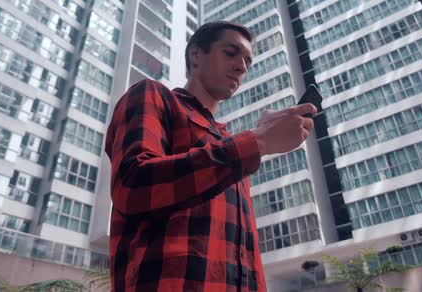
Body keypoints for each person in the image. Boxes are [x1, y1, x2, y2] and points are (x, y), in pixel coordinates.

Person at [105, 21, 317, 291]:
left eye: (248, 62)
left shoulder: (233, 148)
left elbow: (245, 254)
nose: (242, 67)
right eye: (230, 53)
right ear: (196, 55)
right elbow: (132, 184)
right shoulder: (154, 96)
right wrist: (259, 140)